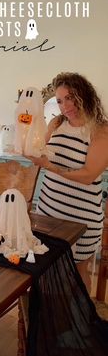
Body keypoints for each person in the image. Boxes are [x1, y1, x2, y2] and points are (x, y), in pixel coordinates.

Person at [28, 72, 108, 293]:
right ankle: (49, 320)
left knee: (78, 276)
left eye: (70, 97)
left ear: (84, 95)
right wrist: (31, 151)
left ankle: (82, 324)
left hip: (80, 220)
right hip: (48, 211)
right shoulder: (56, 123)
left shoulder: (101, 130)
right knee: (47, 269)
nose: (65, 106)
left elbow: (88, 175)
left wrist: (52, 168)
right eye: (60, 100)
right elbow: (41, 151)